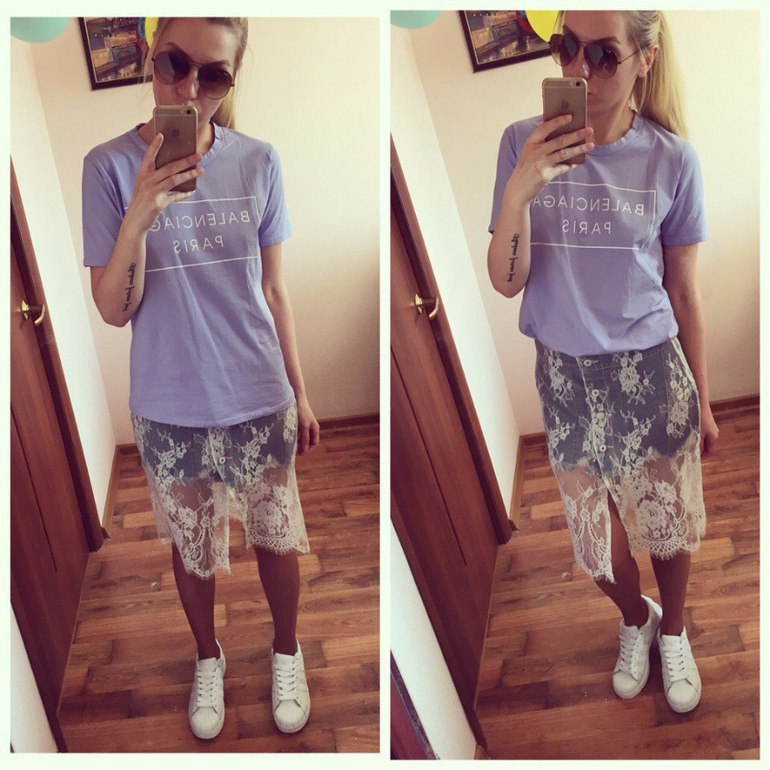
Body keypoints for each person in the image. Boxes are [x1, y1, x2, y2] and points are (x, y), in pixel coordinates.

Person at [82, 17, 320, 739]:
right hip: (168, 400)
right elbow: (114, 309)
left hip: (257, 391)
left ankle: (287, 649)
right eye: (174, 64)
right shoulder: (107, 168)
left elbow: (273, 290)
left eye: (212, 75)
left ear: (231, 81)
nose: (189, 89)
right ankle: (208, 656)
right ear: (147, 58)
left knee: (276, 537)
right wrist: (139, 214)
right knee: (192, 547)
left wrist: (301, 391)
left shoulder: (259, 161)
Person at [488, 10, 717, 714]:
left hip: (652, 371)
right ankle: (635, 618)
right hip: (566, 378)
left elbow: (683, 291)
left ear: (645, 57)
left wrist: (704, 401)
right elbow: (506, 281)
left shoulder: (672, 160)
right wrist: (521, 188)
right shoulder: (518, 144)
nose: (578, 71)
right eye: (566, 49)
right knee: (598, 545)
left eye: (603, 55)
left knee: (666, 526)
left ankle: (673, 630)